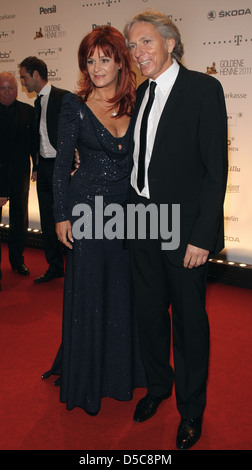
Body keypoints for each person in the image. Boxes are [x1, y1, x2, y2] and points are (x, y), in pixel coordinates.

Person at [124, 11, 228, 449]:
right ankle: (158, 387)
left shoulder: (204, 89)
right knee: (148, 315)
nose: (137, 52)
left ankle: (191, 410)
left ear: (170, 42)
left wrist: (203, 236)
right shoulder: (140, 94)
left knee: (188, 323)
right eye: (132, 45)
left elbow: (214, 169)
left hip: (184, 232)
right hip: (140, 223)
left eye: (145, 42)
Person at [41, 26, 145, 415]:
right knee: (89, 291)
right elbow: (61, 162)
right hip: (86, 211)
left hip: (126, 215)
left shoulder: (140, 102)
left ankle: (122, 370)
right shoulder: (75, 105)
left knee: (123, 291)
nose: (97, 67)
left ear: (121, 61)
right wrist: (61, 215)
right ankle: (87, 375)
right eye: (90, 59)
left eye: (105, 58)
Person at [19, 57, 69, 283]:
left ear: (36, 74)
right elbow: (39, 138)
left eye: (24, 77)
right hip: (45, 168)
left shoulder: (63, 97)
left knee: (69, 218)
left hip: (63, 167)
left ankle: (75, 267)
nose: (23, 83)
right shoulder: (37, 103)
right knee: (48, 221)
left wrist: (72, 166)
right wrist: (37, 166)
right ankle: (55, 266)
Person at [0, 72, 37, 280]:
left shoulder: (27, 111)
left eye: (11, 88)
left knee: (19, 221)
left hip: (20, 175)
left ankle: (17, 259)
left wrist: (36, 166)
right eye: (3, 88)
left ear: (18, 88)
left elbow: (34, 142)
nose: (7, 92)